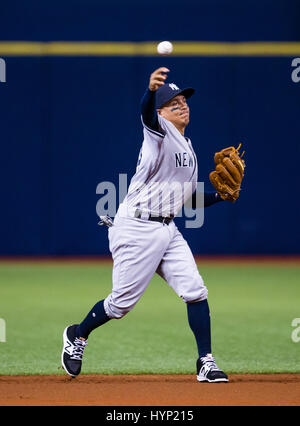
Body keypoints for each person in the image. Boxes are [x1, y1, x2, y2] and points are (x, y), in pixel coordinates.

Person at [61, 67, 229, 383]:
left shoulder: (187, 146)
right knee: (120, 304)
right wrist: (150, 93)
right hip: (136, 228)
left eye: (184, 100)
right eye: (173, 103)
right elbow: (146, 116)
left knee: (195, 290)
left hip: (168, 228)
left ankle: (205, 361)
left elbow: (187, 198)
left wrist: (220, 196)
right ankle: (78, 334)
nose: (182, 105)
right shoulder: (159, 133)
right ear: (163, 113)